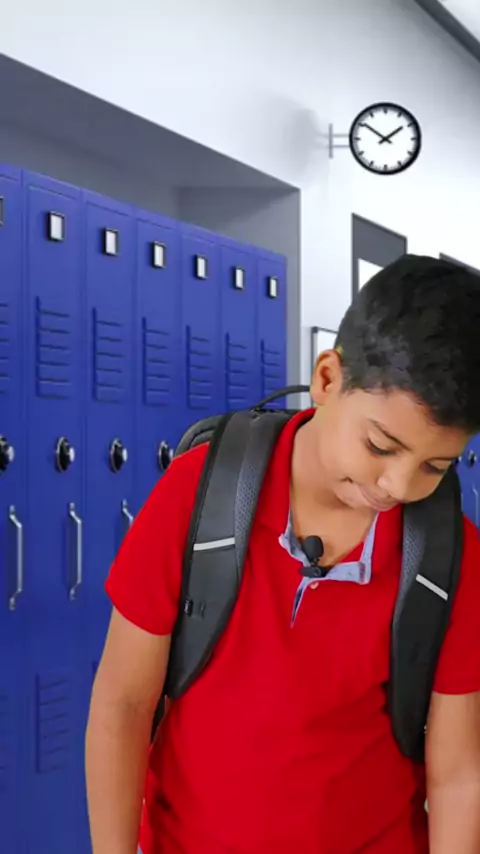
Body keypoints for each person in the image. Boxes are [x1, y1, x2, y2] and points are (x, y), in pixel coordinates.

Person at [85, 255, 480, 854]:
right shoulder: (198, 497)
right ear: (327, 379)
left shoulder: (450, 556)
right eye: (380, 446)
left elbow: (456, 776)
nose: (398, 486)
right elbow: (123, 705)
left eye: (435, 466)